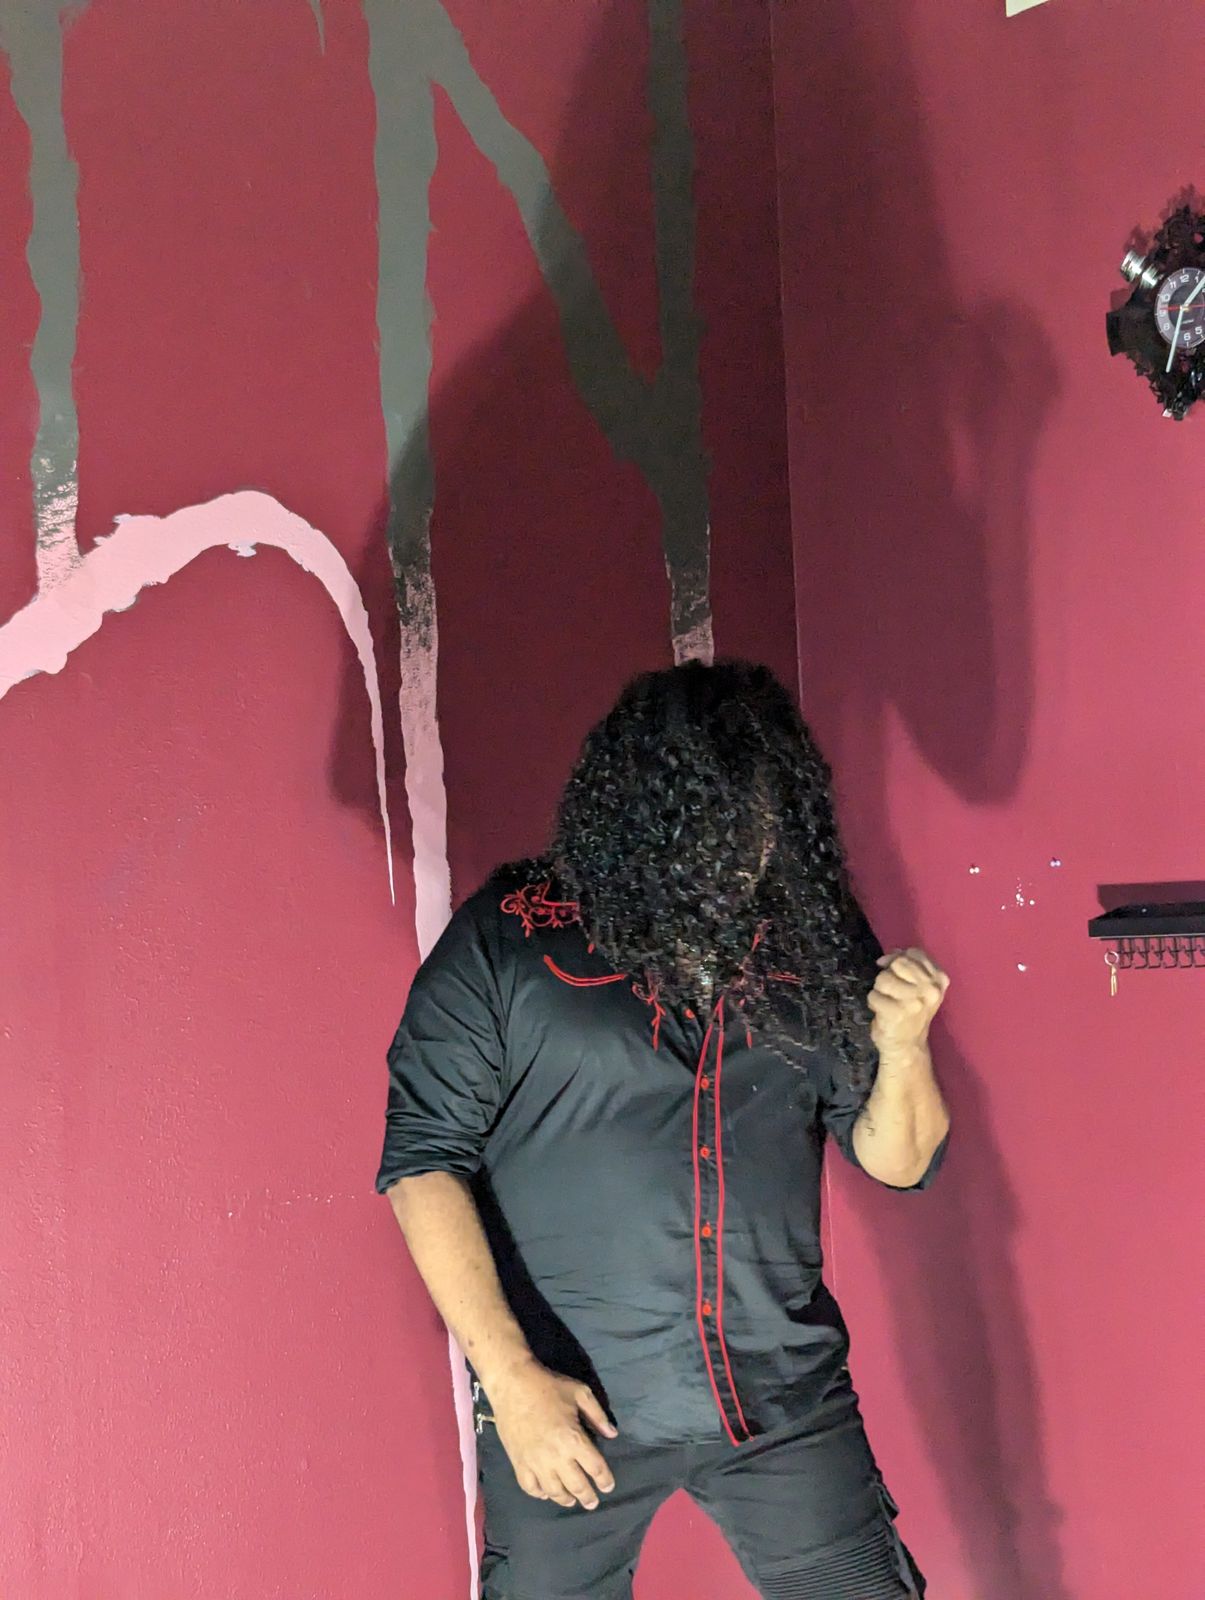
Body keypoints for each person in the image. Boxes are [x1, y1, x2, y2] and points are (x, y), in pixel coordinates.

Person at [376, 660, 950, 1599]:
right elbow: (420, 1162)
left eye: (763, 820)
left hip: (781, 1398)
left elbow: (897, 1160)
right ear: (642, 813)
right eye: (715, 821)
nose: (745, 852)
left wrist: (905, 1045)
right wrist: (511, 1381)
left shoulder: (810, 934)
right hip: (572, 1403)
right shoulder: (511, 937)